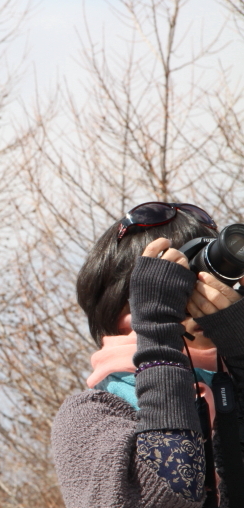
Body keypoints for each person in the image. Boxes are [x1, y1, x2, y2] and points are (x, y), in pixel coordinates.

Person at [51, 202, 244, 508]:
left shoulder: (233, 379)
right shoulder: (91, 416)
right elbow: (160, 497)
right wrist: (157, 331)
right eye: (182, 275)